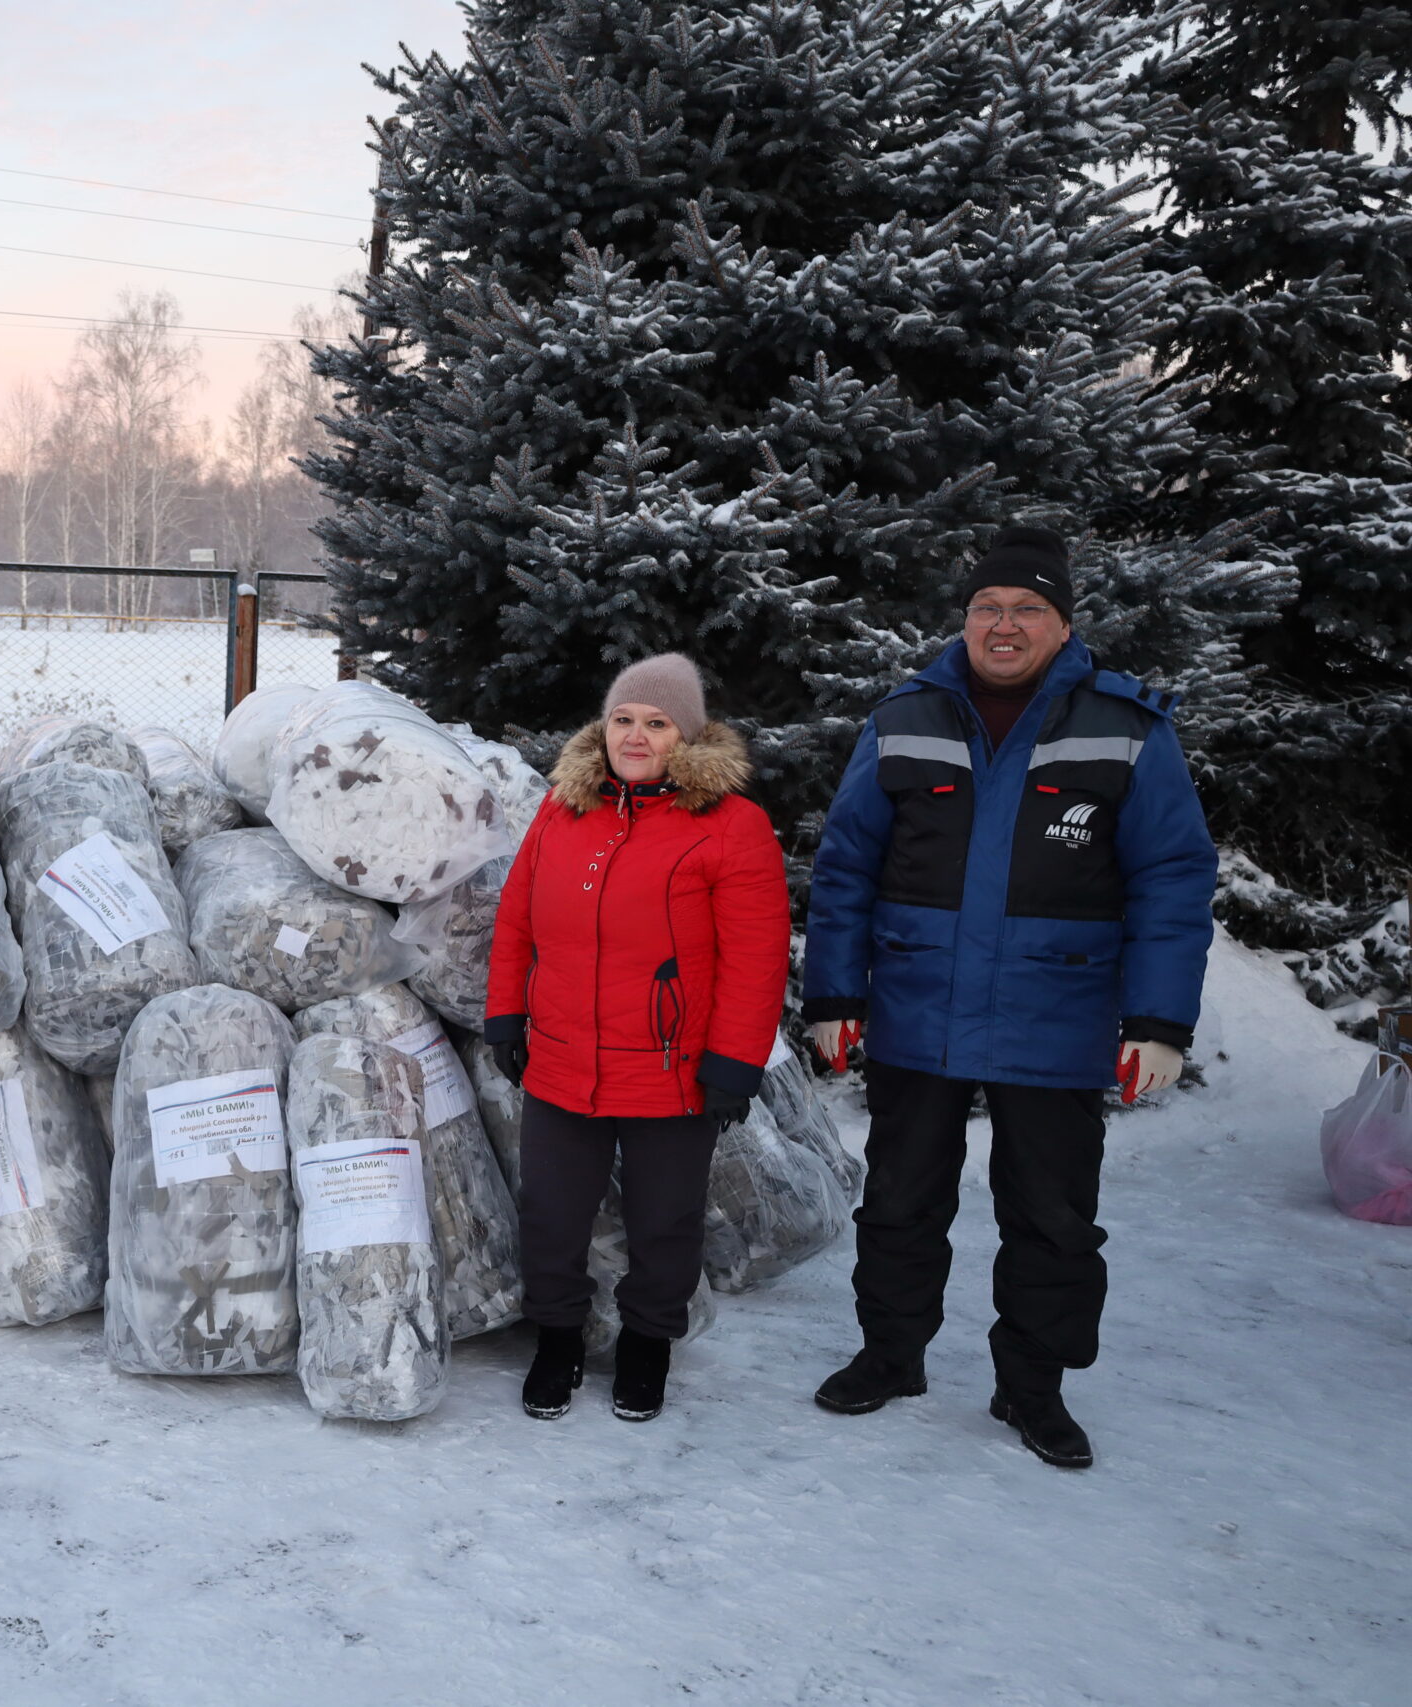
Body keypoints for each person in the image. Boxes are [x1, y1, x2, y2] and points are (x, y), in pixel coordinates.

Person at [802, 526, 1216, 1469]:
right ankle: (890, 1354)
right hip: (918, 1007)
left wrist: (1158, 1022)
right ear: (965, 619)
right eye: (988, 606)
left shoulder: (1125, 726)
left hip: (1057, 1018)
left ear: (1063, 624)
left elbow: (1174, 877)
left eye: (1027, 608)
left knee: (1055, 1217)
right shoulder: (905, 717)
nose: (1004, 624)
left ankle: (1032, 1386)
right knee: (901, 1199)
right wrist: (833, 992)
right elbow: (846, 867)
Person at [483, 654, 791, 1423]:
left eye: (656, 723)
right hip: (561, 1056)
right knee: (552, 1213)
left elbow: (755, 957)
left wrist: (733, 1062)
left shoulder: (732, 826)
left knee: (665, 1219)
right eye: (624, 719)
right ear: (603, 726)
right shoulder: (563, 810)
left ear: (685, 736)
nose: (635, 735)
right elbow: (517, 918)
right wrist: (505, 1014)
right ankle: (557, 1338)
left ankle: (648, 1344)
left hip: (671, 1070)